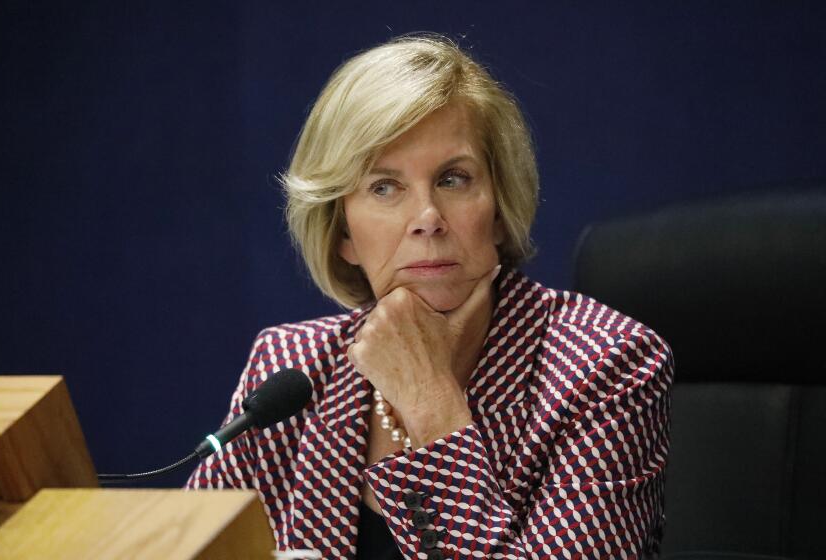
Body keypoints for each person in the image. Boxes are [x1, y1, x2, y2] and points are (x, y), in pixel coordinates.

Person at [186, 34, 673, 560]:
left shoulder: (607, 368)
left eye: (453, 179)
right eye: (384, 187)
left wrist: (428, 400)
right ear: (343, 233)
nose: (428, 219)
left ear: (499, 209)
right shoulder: (291, 368)